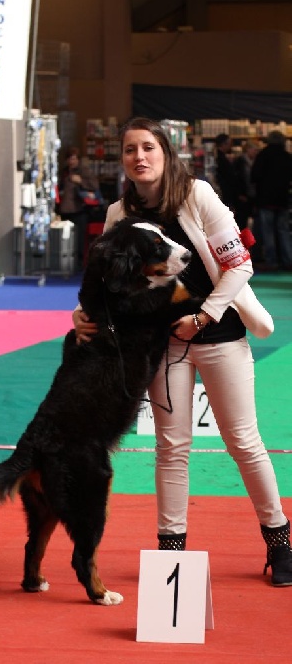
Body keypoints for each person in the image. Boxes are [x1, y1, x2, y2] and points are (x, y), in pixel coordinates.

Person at [73, 116, 292, 587]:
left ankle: (280, 543)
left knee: (244, 442)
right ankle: (172, 550)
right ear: (124, 159)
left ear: (165, 153)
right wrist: (82, 313)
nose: (140, 157)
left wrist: (204, 317)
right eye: (131, 149)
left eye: (148, 147)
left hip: (220, 335)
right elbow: (105, 284)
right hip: (162, 347)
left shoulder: (198, 195)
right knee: (171, 448)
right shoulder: (117, 216)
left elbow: (239, 266)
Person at [251, 130, 292, 271]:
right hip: (283, 199)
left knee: (268, 232)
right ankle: (288, 260)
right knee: (283, 230)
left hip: (265, 199)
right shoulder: (287, 156)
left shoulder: (263, 155)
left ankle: (272, 261)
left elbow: (254, 176)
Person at [58, 146, 100, 272]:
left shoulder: (83, 171)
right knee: (65, 238)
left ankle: (79, 263)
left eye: (74, 159)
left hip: (79, 209)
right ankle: (65, 263)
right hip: (65, 210)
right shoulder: (63, 172)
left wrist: (80, 180)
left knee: (80, 239)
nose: (72, 161)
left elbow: (95, 185)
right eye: (70, 159)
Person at [233, 139, 259, 231]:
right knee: (241, 221)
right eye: (255, 150)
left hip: (252, 195)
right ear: (248, 149)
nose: (256, 152)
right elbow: (236, 179)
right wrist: (239, 194)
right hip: (243, 196)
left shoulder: (256, 162)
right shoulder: (240, 161)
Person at [214, 132, 238, 212]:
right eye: (229, 144)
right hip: (225, 193)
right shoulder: (221, 158)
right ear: (223, 144)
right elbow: (228, 176)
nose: (230, 146)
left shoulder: (218, 156)